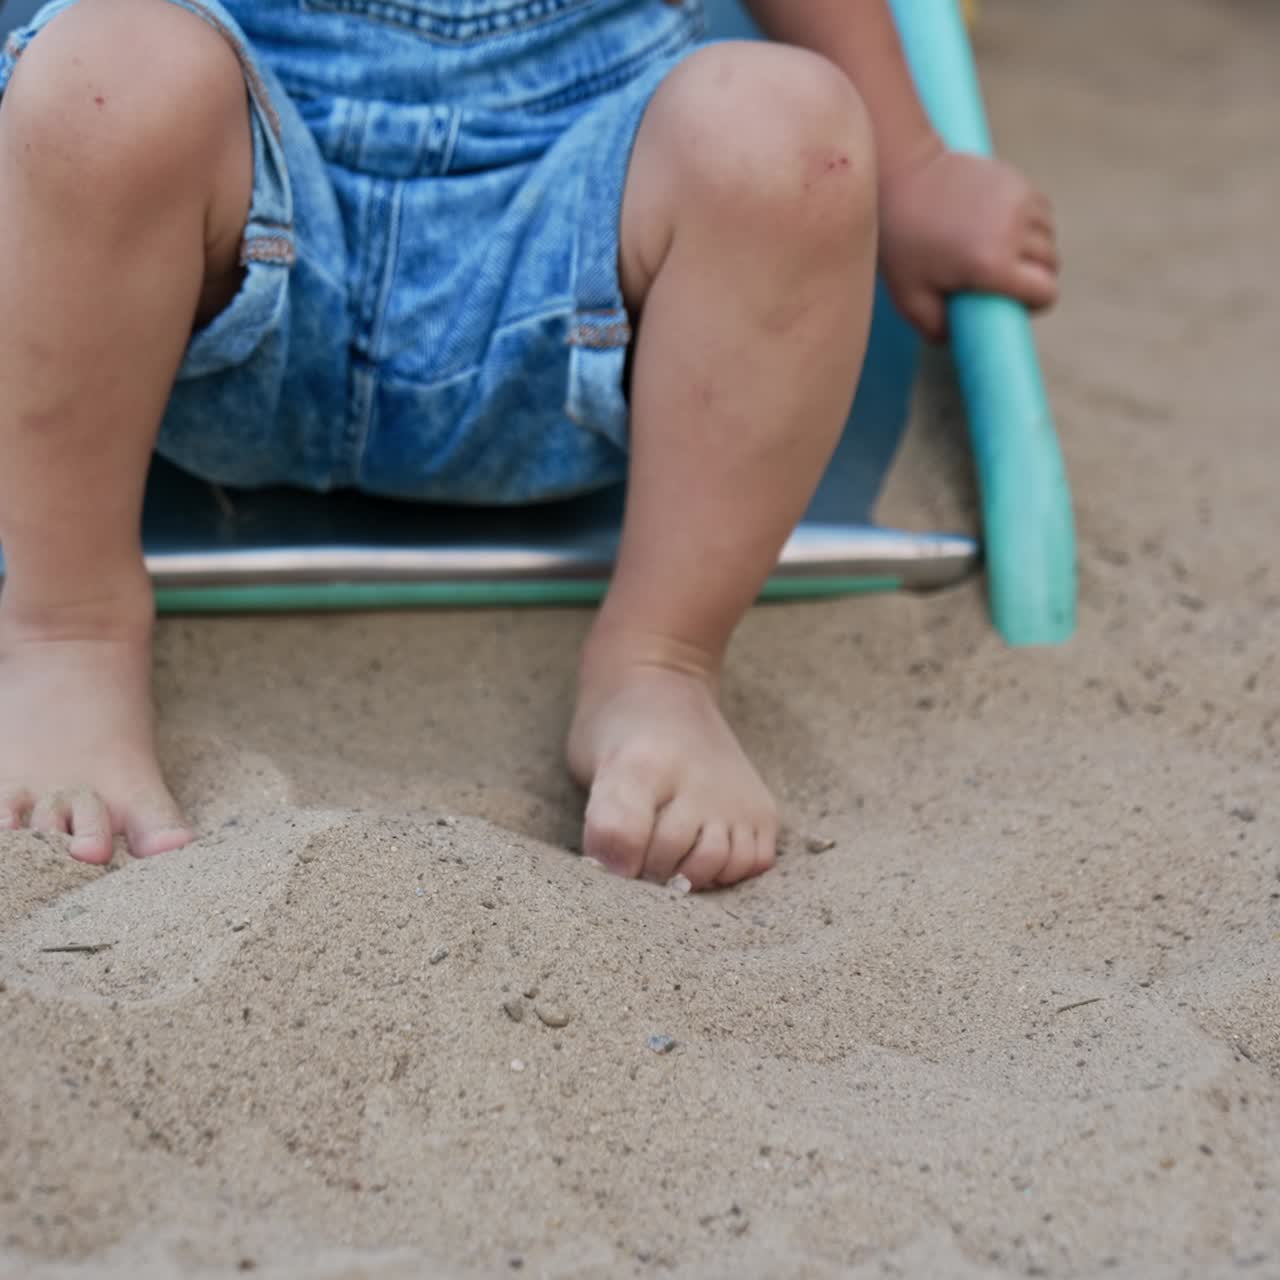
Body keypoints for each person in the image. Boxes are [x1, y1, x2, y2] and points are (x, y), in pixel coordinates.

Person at [0, 0, 1058, 888]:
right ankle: (70, 626)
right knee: (100, 76)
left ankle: (661, 660)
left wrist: (913, 166)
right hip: (237, 230)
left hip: (579, 259)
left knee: (793, 130)